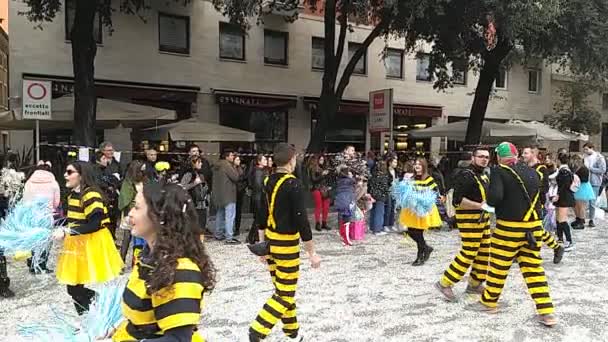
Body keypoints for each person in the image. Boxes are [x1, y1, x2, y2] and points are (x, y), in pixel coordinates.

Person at [110, 183, 216, 342]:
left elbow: (178, 339)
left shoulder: (180, 271)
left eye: (137, 207)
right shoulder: (150, 257)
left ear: (159, 216)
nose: (130, 213)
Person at [470, 142, 557, 327]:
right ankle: (547, 312)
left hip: (509, 228)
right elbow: (542, 198)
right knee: (534, 270)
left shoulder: (499, 171)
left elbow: (495, 199)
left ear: (499, 157)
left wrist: (489, 200)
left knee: (498, 267)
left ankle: (489, 302)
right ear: (516, 155)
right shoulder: (534, 172)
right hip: (533, 228)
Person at [249, 143, 320, 342]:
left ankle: (292, 333)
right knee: (285, 293)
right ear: (291, 161)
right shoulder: (293, 184)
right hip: (286, 245)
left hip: (271, 242)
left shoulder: (267, 181)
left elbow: (261, 215)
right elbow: (302, 221)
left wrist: (263, 246)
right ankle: (257, 330)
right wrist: (311, 253)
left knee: (282, 290)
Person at [53, 161, 124, 315]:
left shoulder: (91, 194)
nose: (65, 175)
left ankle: (94, 311)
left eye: (70, 172)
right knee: (74, 286)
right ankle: (91, 314)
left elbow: (95, 224)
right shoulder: (73, 194)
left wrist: (67, 232)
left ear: (81, 175)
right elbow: (75, 218)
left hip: (90, 243)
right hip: (77, 242)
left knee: (75, 287)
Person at [436, 148, 491, 301]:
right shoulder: (465, 175)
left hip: (483, 219)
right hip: (469, 221)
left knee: (484, 252)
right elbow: (457, 201)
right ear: (473, 157)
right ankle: (445, 282)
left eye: (486, 157)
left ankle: (474, 283)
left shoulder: (484, 175)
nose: (484, 159)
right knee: (469, 252)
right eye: (481, 156)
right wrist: (480, 206)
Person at [522, 146, 565, 264]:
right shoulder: (524, 168)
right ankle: (556, 247)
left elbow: (544, 187)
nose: (523, 155)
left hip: (537, 203)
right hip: (525, 203)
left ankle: (537, 253)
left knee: (536, 229)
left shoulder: (541, 168)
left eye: (526, 153)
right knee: (531, 228)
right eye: (523, 153)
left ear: (533, 153)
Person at [399, 158, 441, 266]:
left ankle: (420, 256)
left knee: (418, 232)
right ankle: (426, 248)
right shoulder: (411, 178)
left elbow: (435, 192)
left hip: (422, 209)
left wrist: (424, 197)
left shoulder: (428, 179)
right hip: (412, 209)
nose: (417, 166)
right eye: (415, 164)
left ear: (424, 166)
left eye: (419, 164)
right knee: (410, 231)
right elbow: (405, 191)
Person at [22, 160, 61, 273]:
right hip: (46, 216)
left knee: (34, 238)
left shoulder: (29, 182)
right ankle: (41, 265)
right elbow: (56, 202)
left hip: (31, 215)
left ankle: (32, 262)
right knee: (46, 240)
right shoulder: (53, 183)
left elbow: (25, 201)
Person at [117, 160, 147, 264]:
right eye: (141, 170)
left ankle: (136, 262)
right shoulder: (128, 182)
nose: (143, 171)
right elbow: (125, 199)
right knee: (127, 237)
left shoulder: (144, 180)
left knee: (140, 238)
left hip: (142, 212)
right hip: (130, 212)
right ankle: (121, 262)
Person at [211, 150, 241, 244]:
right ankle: (229, 237)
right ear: (226, 157)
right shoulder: (227, 165)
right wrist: (236, 166)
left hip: (219, 194)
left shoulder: (217, 165)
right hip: (228, 194)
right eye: (232, 155)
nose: (233, 157)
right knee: (230, 216)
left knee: (220, 214)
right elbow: (236, 177)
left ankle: (218, 234)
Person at [551, 152, 575, 251]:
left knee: (562, 219)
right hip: (562, 196)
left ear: (558, 160)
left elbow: (564, 185)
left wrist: (557, 195)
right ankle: (560, 239)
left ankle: (569, 241)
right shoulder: (563, 170)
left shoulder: (564, 171)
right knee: (558, 219)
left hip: (563, 197)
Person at [181, 156, 210, 236]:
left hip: (202, 203)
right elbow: (182, 187)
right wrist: (194, 183)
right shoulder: (188, 174)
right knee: (193, 224)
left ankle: (200, 242)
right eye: (199, 162)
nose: (201, 164)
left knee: (202, 224)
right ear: (193, 163)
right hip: (193, 203)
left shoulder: (200, 174)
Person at [247, 154, 269, 243]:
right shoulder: (258, 172)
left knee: (259, 218)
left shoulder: (261, 171)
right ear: (259, 161)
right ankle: (252, 237)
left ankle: (253, 236)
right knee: (259, 218)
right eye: (264, 160)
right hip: (259, 198)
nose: (266, 161)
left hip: (259, 197)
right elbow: (258, 185)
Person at [583, 143, 605, 227]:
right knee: (584, 201)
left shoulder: (599, 157)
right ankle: (582, 218)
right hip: (585, 181)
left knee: (592, 201)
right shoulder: (584, 157)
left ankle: (591, 220)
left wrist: (591, 169)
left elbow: (602, 170)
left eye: (586, 149)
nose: (585, 151)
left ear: (591, 148)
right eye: (584, 149)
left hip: (595, 182)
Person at [334, 167, 356, 246]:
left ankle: (343, 236)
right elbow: (354, 181)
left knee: (343, 220)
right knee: (347, 221)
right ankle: (347, 239)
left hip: (340, 201)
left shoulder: (340, 181)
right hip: (346, 202)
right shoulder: (349, 181)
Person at [308, 155, 331, 232]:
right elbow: (313, 179)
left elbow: (328, 179)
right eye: (320, 159)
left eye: (323, 159)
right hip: (316, 188)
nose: (322, 160)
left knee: (326, 206)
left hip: (324, 188)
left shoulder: (325, 168)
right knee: (319, 206)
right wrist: (322, 175)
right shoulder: (313, 168)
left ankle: (324, 222)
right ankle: (318, 223)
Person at [368, 160, 391, 236]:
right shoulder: (383, 176)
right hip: (381, 196)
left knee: (373, 212)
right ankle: (377, 229)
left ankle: (372, 227)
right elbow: (385, 187)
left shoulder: (373, 175)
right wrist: (387, 194)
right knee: (379, 213)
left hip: (373, 195)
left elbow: (370, 185)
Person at [572, 155, 595, 229]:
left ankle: (581, 222)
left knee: (582, 206)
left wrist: (575, 178)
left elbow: (584, 179)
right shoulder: (577, 168)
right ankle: (578, 219)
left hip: (583, 188)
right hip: (578, 188)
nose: (574, 162)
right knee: (576, 205)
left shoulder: (584, 168)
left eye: (575, 160)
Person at [233, 155, 247, 237]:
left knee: (238, 211)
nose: (239, 161)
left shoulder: (241, 169)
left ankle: (237, 228)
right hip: (233, 192)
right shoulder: (231, 169)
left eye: (239, 159)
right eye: (237, 159)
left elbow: (244, 179)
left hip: (239, 192)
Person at [384, 156, 398, 232]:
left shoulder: (395, 171)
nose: (396, 163)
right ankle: (385, 225)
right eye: (395, 162)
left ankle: (391, 224)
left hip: (394, 190)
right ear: (390, 162)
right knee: (388, 207)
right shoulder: (386, 170)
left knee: (393, 208)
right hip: (388, 190)